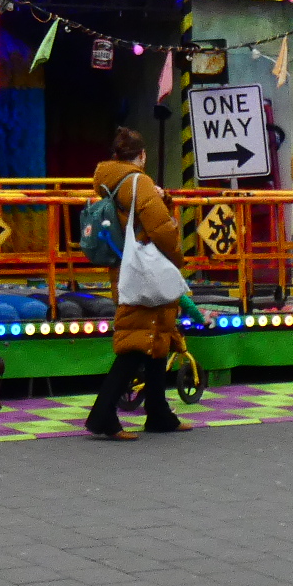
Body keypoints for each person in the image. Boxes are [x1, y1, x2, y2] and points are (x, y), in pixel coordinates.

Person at [86, 126, 191, 439]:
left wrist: (163, 198)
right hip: (146, 270)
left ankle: (158, 412)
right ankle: (103, 415)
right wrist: (178, 258)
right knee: (135, 345)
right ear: (142, 155)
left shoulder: (111, 181)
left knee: (156, 339)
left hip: (127, 267)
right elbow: (160, 228)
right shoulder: (138, 181)